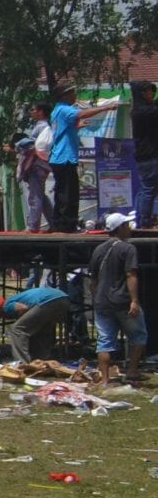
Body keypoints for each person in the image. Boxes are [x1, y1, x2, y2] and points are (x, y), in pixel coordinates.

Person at [48, 85, 124, 233]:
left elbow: (63, 130)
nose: (74, 96)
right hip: (65, 157)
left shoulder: (56, 111)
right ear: (64, 96)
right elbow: (82, 114)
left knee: (61, 192)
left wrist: (77, 127)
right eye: (72, 93)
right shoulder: (65, 109)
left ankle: (59, 223)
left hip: (58, 157)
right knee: (69, 194)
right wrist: (105, 108)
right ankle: (67, 226)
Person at [89, 211, 144, 390]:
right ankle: (132, 371)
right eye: (126, 225)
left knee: (104, 341)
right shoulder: (128, 249)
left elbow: (93, 280)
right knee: (138, 336)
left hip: (102, 302)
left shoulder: (98, 249)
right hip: (122, 300)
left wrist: (96, 299)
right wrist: (134, 300)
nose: (129, 229)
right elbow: (131, 275)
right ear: (119, 228)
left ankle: (105, 381)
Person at [0, 282, 72, 365]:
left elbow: (23, 308)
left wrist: (22, 318)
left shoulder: (6, 306)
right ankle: (41, 363)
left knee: (17, 330)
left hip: (46, 301)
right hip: (63, 299)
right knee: (42, 332)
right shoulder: (18, 298)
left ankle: (22, 363)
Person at [18, 100, 54, 231]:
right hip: (43, 165)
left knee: (35, 196)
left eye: (33, 110)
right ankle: (53, 222)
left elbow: (31, 146)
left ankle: (33, 226)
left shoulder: (41, 127)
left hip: (37, 165)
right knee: (40, 196)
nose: (32, 112)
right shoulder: (47, 126)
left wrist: (17, 146)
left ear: (41, 112)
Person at [135, 81, 158, 228]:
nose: (152, 93)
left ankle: (142, 220)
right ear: (142, 94)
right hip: (149, 156)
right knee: (148, 190)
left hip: (149, 156)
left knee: (147, 190)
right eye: (149, 91)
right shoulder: (142, 111)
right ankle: (145, 222)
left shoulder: (147, 109)